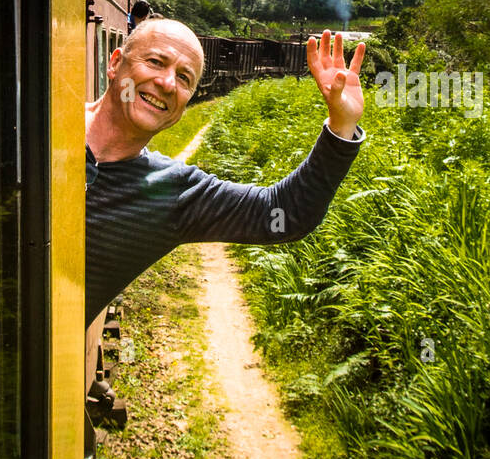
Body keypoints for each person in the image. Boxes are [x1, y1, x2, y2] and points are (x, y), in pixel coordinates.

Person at [84, 18, 366, 324]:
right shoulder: (38, 119)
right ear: (115, 63)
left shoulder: (174, 193)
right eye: (155, 62)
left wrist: (342, 125)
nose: (167, 84)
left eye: (184, 78)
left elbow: (284, 212)